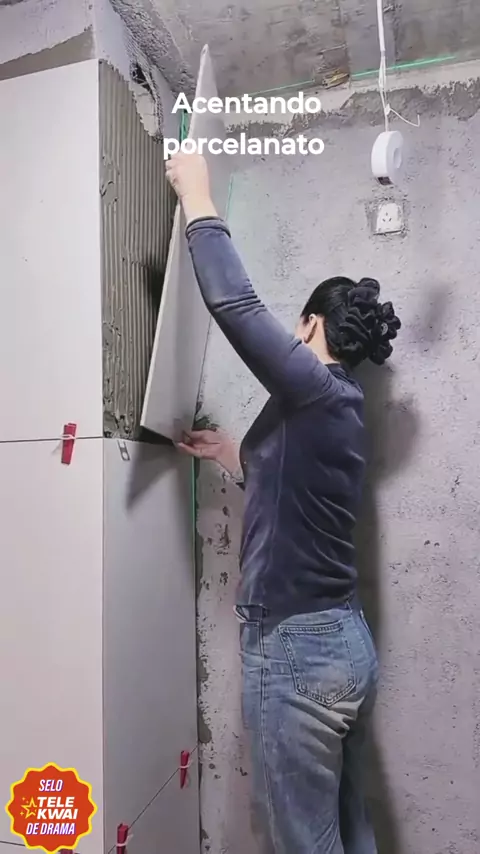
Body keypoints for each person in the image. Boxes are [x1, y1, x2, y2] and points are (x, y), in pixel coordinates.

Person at [165, 152, 401, 854]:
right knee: (348, 830)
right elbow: (295, 493)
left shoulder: (312, 387)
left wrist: (197, 195)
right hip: (343, 644)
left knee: (304, 844)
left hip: (298, 652)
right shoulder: (342, 408)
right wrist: (231, 452)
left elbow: (234, 305)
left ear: (309, 325)